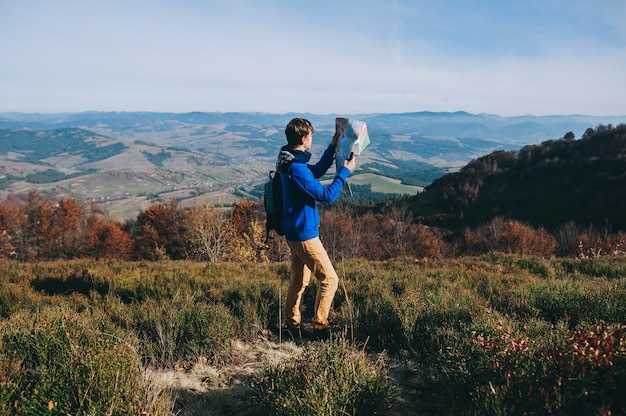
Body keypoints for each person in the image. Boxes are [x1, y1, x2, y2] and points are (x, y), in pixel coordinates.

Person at [276, 117, 356, 339]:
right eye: (311, 135)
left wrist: (332, 147)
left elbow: (317, 171)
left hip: (294, 231)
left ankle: (291, 325)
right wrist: (344, 173)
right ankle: (319, 327)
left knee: (299, 280)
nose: (312, 139)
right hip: (304, 235)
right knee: (330, 280)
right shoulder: (296, 169)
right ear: (303, 138)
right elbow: (327, 196)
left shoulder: (288, 161)